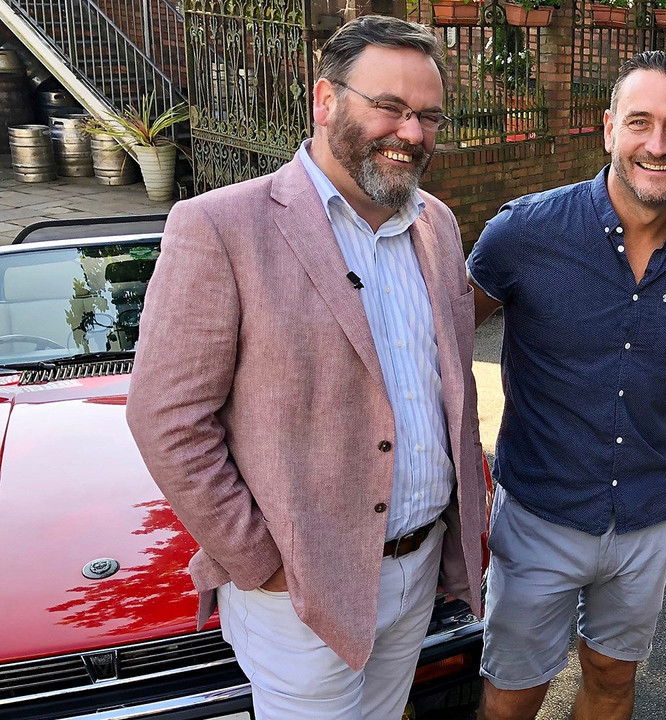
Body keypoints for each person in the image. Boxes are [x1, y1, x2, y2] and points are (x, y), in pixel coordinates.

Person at [126, 16, 487, 719]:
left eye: (428, 116)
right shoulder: (221, 227)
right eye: (389, 107)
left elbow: (447, 387)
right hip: (298, 592)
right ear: (325, 100)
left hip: (418, 567)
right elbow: (167, 419)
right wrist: (260, 561)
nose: (411, 132)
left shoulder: (436, 224)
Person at [467, 51, 666, 720]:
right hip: (538, 515)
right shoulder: (524, 231)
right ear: (610, 128)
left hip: (646, 518)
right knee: (512, 695)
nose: (657, 144)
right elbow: (435, 346)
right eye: (640, 122)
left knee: (613, 682)